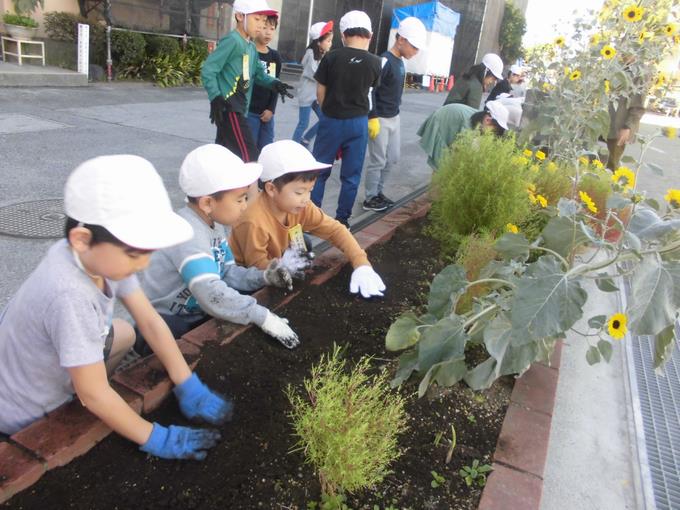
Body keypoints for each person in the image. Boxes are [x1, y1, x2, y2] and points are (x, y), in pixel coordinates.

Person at [0, 155, 230, 461]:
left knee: (124, 333)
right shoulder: (69, 293)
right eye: (136, 254)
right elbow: (93, 393)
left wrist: (186, 381)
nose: (144, 264)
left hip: (47, 368)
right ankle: (71, 408)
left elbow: (148, 320)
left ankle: (85, 390)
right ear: (82, 239)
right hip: (24, 410)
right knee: (95, 392)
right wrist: (158, 437)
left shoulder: (96, 259)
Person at [139, 144, 304, 352]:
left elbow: (226, 273)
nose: (245, 205)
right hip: (168, 320)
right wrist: (262, 316)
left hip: (198, 309)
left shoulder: (213, 224)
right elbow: (209, 290)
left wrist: (263, 277)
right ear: (208, 203)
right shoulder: (187, 234)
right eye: (240, 199)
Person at [230, 140, 387, 299]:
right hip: (245, 277)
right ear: (271, 189)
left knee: (303, 242)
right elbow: (257, 268)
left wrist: (361, 264)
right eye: (299, 192)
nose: (305, 199)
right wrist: (283, 267)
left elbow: (335, 230)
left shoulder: (301, 206)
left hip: (279, 257)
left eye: (310, 191)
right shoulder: (253, 222)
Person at [310, 10, 383, 229]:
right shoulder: (375, 62)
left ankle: (312, 218)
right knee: (351, 176)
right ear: (369, 35)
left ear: (343, 35)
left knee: (320, 171)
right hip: (358, 123)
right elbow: (369, 92)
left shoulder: (331, 57)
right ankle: (342, 219)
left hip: (331, 119)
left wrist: (329, 110)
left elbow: (319, 93)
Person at [201, 0, 293, 162]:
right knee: (249, 158)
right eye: (256, 19)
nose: (260, 25)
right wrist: (215, 97)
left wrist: (275, 83)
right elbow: (209, 69)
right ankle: (250, 188)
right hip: (230, 108)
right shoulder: (232, 41)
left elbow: (258, 74)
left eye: (263, 21)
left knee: (225, 158)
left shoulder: (250, 47)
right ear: (239, 16)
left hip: (240, 108)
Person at [363, 16, 426, 213]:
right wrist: (372, 116)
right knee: (378, 160)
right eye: (414, 47)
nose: (416, 52)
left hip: (394, 117)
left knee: (392, 158)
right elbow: (369, 89)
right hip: (380, 118)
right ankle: (370, 197)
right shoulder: (384, 61)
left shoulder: (400, 62)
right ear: (401, 40)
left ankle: (379, 192)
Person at [417, 100, 509, 169]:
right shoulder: (468, 125)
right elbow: (459, 148)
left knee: (448, 163)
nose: (491, 135)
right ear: (488, 120)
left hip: (448, 119)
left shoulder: (478, 118)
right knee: (441, 166)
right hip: (440, 123)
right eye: (493, 131)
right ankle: (435, 190)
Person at [291, 20, 334, 149]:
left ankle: (306, 139)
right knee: (303, 123)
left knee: (325, 119)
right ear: (318, 42)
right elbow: (315, 74)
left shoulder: (322, 54)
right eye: (328, 41)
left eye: (331, 41)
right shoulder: (310, 54)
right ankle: (293, 147)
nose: (330, 44)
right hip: (306, 94)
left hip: (315, 95)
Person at [246, 14, 283, 155]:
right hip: (250, 111)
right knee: (250, 149)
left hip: (266, 114)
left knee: (267, 150)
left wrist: (271, 109)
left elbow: (276, 85)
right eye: (264, 28)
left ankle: (264, 177)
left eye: (272, 29)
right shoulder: (248, 51)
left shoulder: (275, 57)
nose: (268, 32)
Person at [606, 93, 645, 170]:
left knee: (612, 165)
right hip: (597, 121)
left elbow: (638, 106)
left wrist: (628, 126)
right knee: (591, 162)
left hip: (618, 128)